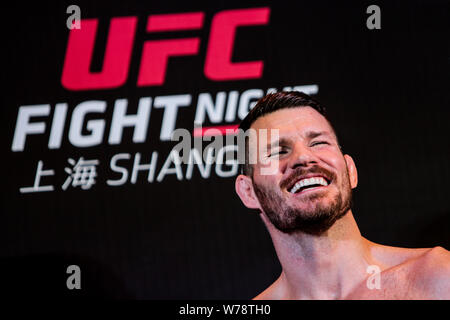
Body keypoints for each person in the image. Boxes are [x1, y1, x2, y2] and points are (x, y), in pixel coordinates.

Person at [234, 91, 450, 299]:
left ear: (350, 170)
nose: (304, 157)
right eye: (278, 151)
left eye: (318, 143)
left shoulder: (437, 278)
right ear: (248, 192)